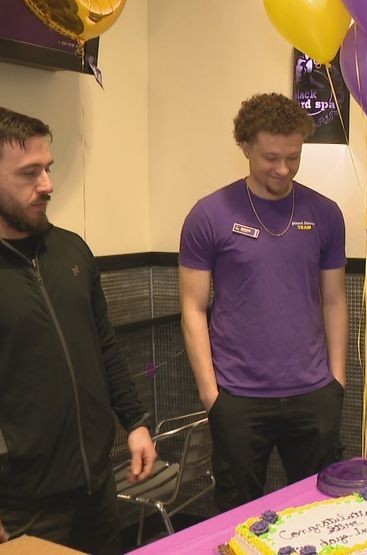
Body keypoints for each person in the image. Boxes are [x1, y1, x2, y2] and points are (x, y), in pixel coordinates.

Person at [179, 93, 348, 511]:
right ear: (245, 147)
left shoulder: (325, 214)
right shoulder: (208, 215)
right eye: (271, 157)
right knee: (238, 513)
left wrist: (336, 383)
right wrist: (211, 395)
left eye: (294, 156)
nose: (283, 168)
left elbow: (334, 299)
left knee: (321, 511)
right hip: (237, 395)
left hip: (313, 393)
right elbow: (193, 309)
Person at [0, 107, 156, 554]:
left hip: (96, 487)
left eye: (48, 169)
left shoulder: (71, 250)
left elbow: (104, 344)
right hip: (21, 504)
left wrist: (136, 423)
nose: (47, 184)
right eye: (30, 173)